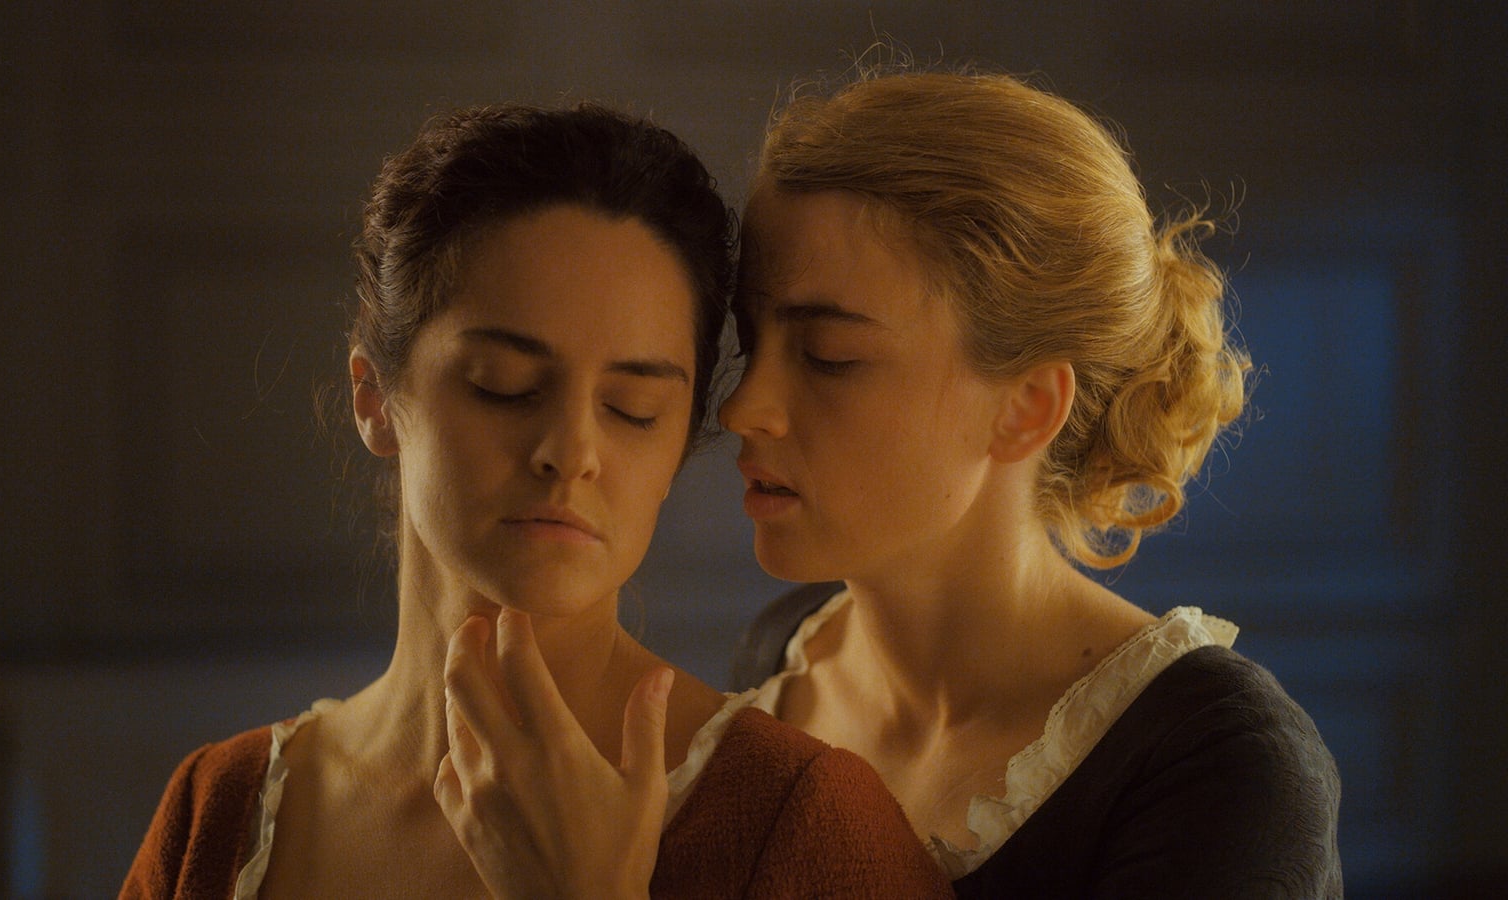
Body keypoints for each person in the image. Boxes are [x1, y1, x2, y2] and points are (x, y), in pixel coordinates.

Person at [442, 69, 1344, 898]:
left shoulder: (1225, 769)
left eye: (830, 356)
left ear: (1025, 408)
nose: (746, 407)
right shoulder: (780, 654)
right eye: (752, 344)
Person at [118, 102, 951, 899]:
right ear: (374, 397)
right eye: (506, 385)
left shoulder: (803, 824)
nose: (572, 454)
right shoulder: (222, 811)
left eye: (633, 410)